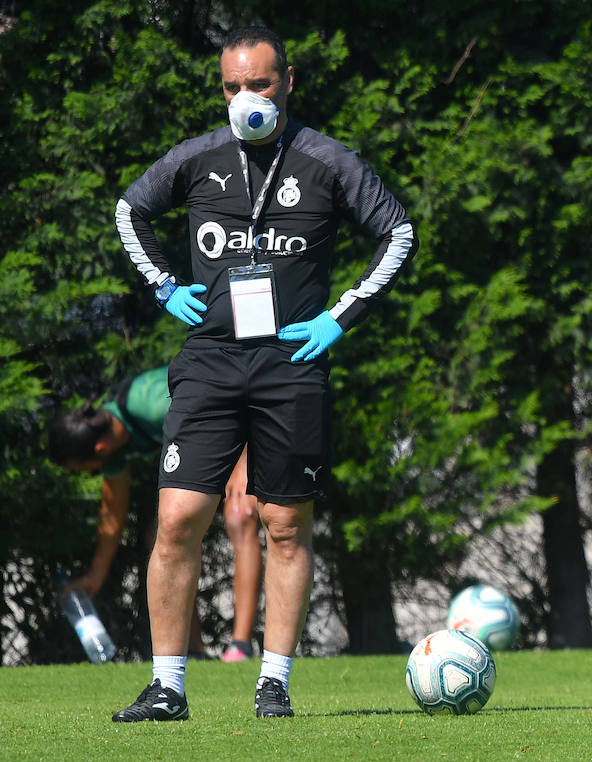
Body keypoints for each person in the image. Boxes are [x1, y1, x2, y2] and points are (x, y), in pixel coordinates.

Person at [110, 25, 416, 720]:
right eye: (232, 86)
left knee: (283, 523)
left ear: (288, 83)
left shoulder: (328, 161)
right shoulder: (197, 159)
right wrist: (163, 284)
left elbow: (398, 232)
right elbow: (130, 211)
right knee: (179, 517)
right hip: (212, 359)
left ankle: (272, 682)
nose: (246, 98)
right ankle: (167, 687)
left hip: (291, 363)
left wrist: (342, 315)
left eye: (260, 83)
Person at [48, 366, 264, 662]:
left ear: (98, 449)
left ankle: (241, 646)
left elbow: (233, 404)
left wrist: (243, 467)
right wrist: (95, 575)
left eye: (84, 469)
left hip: (248, 420)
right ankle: (194, 650)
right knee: (163, 536)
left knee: (241, 515)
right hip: (211, 442)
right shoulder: (114, 447)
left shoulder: (151, 404)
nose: (91, 474)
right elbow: (112, 514)